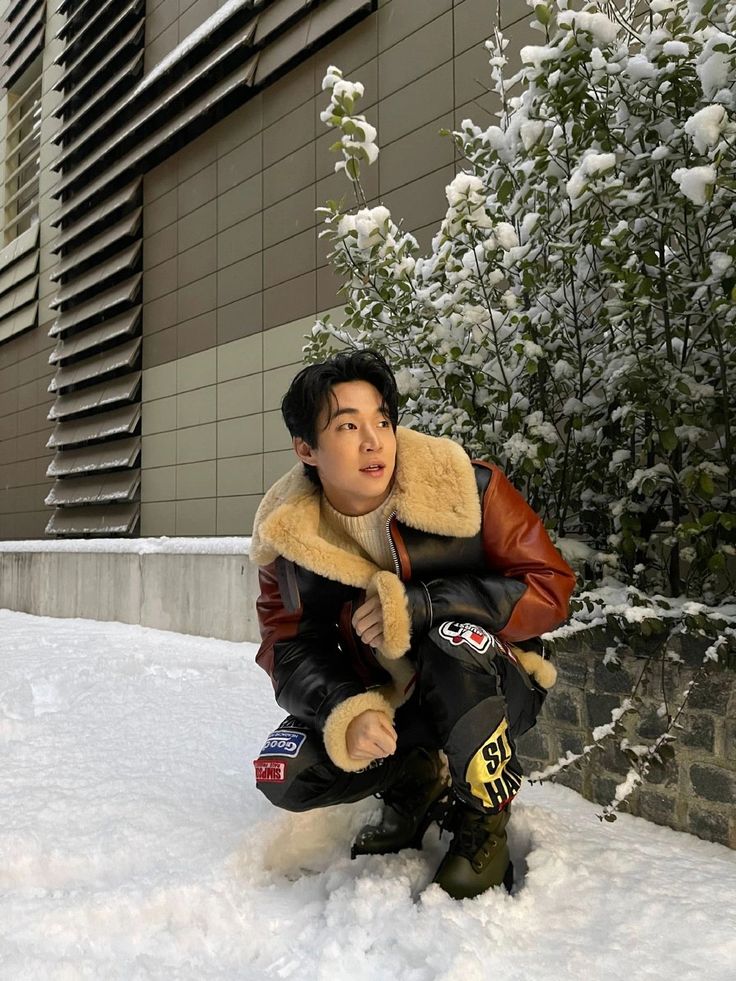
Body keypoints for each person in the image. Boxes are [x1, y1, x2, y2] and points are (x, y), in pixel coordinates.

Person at [250, 349, 575, 899]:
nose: (373, 441)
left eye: (382, 420)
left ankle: (484, 817)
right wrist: (344, 710)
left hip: (493, 681)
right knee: (283, 770)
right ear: (306, 448)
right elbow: (287, 647)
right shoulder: (290, 537)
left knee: (450, 641)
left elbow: (551, 587)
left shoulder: (466, 488)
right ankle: (416, 777)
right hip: (396, 698)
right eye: (348, 426)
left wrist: (427, 602)